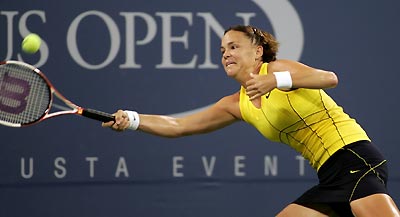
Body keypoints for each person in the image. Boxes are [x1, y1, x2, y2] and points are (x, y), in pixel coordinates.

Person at [102, 25, 400, 216]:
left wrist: (277, 81)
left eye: (233, 47)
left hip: (354, 156)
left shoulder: (278, 68)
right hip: (329, 174)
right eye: (222, 50)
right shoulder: (236, 104)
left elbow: (329, 78)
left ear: (257, 51)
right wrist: (132, 120)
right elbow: (180, 126)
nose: (226, 54)